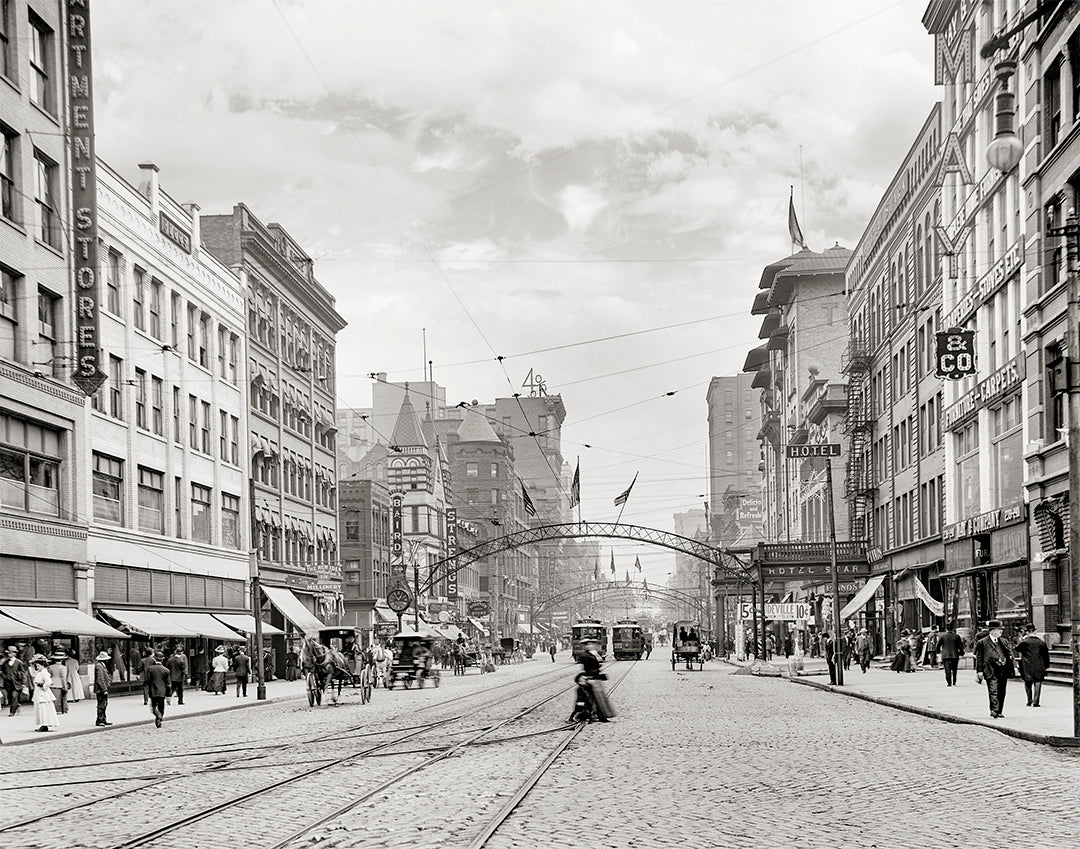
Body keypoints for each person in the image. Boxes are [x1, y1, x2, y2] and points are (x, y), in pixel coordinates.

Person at [974, 619, 1016, 719]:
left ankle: (1000, 710)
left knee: (1002, 691)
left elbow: (1010, 654)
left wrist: (1013, 665)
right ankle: (994, 710)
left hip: (1002, 669)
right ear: (992, 630)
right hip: (990, 669)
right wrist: (979, 671)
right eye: (999, 630)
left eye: (1001, 630)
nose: (1001, 631)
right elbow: (979, 658)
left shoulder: (1004, 641)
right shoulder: (982, 642)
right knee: (993, 690)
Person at [1014, 623, 1050, 708]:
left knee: (1027, 682)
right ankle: (1036, 701)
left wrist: (1021, 638)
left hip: (1027, 665)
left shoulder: (1024, 642)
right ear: (1035, 631)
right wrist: (1046, 665)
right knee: (1038, 682)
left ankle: (1029, 700)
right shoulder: (1041, 642)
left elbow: (1016, 649)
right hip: (1039, 664)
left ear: (1026, 632)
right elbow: (1046, 655)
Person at [30, 654, 58, 732]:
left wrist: (42, 685)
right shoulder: (39, 672)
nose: (37, 668)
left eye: (38, 666)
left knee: (44, 709)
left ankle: (45, 724)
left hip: (43, 694)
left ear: (43, 665)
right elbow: (32, 673)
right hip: (39, 693)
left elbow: (49, 682)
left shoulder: (44, 673)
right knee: (40, 709)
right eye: (36, 666)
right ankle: (43, 724)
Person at [143, 652, 170, 728]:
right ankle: (159, 718)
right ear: (162, 659)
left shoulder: (150, 669)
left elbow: (147, 680)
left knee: (154, 706)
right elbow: (168, 684)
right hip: (162, 691)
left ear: (154, 659)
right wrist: (168, 695)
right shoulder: (166, 670)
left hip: (153, 690)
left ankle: (158, 715)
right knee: (161, 706)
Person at [1, 645, 27, 716]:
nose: (9, 654)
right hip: (8, 683)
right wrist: (5, 676)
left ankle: (12, 712)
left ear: (14, 654)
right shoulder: (5, 662)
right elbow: (2, 671)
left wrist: (23, 683)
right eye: (8, 653)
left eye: (10, 653)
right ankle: (16, 705)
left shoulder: (19, 662)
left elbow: (23, 673)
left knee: (14, 696)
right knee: (10, 697)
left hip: (17, 683)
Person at [938, 622, 964, 687]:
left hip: (945, 655)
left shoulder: (942, 636)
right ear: (952, 629)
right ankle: (954, 681)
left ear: (946, 629)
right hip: (954, 654)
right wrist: (961, 653)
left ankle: (949, 682)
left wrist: (938, 652)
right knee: (954, 668)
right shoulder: (956, 636)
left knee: (947, 669)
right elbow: (960, 646)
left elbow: (938, 645)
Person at [94, 650, 113, 726]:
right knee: (101, 705)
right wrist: (104, 689)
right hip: (100, 689)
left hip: (101, 688)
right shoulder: (99, 666)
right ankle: (100, 720)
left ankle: (103, 719)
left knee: (104, 704)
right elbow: (100, 679)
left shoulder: (101, 665)